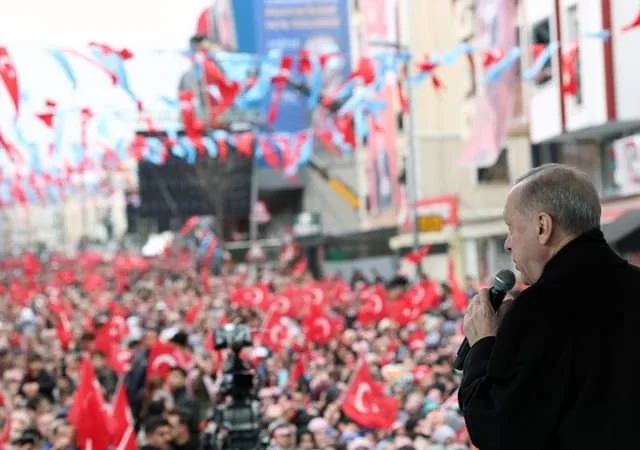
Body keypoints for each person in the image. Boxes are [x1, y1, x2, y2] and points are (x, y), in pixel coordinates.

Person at [459, 163, 639, 449]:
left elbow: (498, 431)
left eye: (511, 228)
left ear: (543, 226)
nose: (507, 244)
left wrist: (482, 346)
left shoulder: (538, 311)